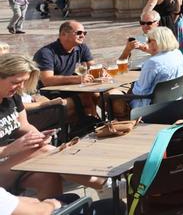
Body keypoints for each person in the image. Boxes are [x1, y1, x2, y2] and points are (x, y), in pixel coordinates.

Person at [0, 54, 105, 200]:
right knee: (46, 151)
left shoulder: (12, 97)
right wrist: (8, 149)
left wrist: (38, 137)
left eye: (24, 82)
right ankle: (103, 184)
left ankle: (51, 209)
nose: (21, 87)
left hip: (10, 163)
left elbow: (23, 126)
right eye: (16, 82)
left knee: (48, 176)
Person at [109, 26, 183, 118]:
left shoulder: (152, 62)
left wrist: (129, 90)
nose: (147, 43)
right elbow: (162, 58)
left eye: (149, 41)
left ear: (157, 42)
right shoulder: (177, 53)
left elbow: (140, 92)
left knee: (111, 94)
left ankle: (124, 121)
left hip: (148, 108)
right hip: (174, 99)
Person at [33, 21, 100, 118]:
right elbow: (47, 80)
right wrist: (78, 79)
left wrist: (102, 72)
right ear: (64, 34)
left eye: (84, 33)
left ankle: (99, 122)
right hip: (51, 92)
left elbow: (93, 67)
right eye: (79, 33)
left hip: (72, 88)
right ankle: (88, 124)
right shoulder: (46, 53)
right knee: (87, 97)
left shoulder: (82, 47)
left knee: (99, 95)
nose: (83, 36)